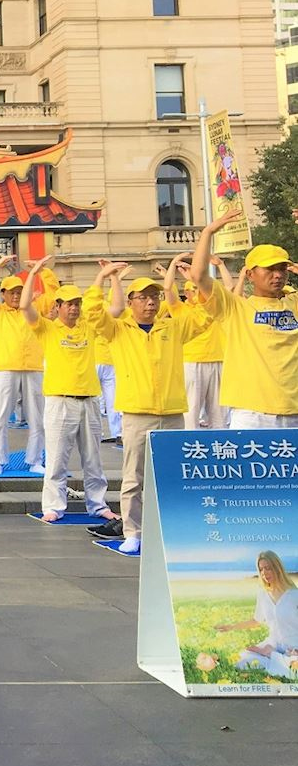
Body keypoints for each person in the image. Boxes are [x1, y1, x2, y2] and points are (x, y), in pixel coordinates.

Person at [84, 258, 204, 554]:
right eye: (143, 297)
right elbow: (93, 313)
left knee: (171, 476)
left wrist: (193, 281)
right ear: (131, 302)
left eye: (155, 296)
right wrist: (102, 278)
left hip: (172, 413)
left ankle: (170, 530)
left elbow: (203, 316)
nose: (150, 302)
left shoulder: (173, 327)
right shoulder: (118, 330)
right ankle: (133, 532)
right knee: (133, 477)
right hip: (137, 414)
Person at [20, 258, 115, 523]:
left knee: (93, 459)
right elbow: (25, 306)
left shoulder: (89, 327)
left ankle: (98, 504)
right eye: (68, 304)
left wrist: (107, 277)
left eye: (77, 304)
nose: (74, 308)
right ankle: (53, 506)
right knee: (57, 459)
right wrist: (34, 273)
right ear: (58, 306)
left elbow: (115, 309)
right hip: (60, 401)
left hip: (89, 400)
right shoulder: (47, 328)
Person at [188, 210, 296, 425]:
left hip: (294, 411)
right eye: (270, 269)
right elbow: (198, 276)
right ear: (250, 274)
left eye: (282, 269)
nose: (278, 275)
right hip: (252, 413)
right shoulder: (235, 308)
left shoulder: (294, 303)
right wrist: (208, 232)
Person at [0, 254, 57, 476]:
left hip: (33, 368)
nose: (16, 296)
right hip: (4, 369)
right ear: (3, 294)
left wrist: (43, 272)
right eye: (12, 292)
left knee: (38, 418)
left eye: (20, 291)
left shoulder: (34, 308)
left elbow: (53, 294)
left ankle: (35, 460)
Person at [215, 551, 298, 678]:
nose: (264, 573)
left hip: (294, 648)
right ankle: (276, 659)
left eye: (268, 568)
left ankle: (274, 657)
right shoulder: (263, 594)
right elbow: (256, 620)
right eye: (261, 569)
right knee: (241, 661)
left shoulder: (294, 595)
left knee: (294, 671)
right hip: (273, 645)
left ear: (278, 568)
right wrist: (231, 627)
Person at [181, 266, 227, 429]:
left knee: (219, 411)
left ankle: (221, 441)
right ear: (186, 293)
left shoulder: (215, 307)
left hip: (218, 359)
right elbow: (168, 290)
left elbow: (228, 288)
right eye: (193, 289)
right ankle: (189, 440)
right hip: (192, 360)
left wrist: (219, 265)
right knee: (192, 407)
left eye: (197, 288)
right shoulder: (181, 309)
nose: (196, 292)